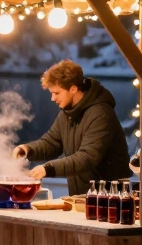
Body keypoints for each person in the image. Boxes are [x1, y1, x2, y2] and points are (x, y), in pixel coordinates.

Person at [13, 59, 132, 196]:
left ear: (73, 89)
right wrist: (27, 150)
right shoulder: (67, 113)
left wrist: (48, 169)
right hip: (81, 195)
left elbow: (87, 157)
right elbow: (52, 142)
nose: (52, 98)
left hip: (110, 197)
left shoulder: (101, 114)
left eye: (56, 93)